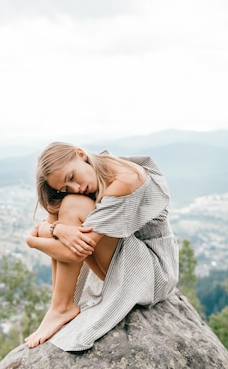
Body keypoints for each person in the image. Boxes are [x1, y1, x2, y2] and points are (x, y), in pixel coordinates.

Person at [24, 142, 179, 351]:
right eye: (65, 187)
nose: (76, 188)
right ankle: (59, 306)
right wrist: (58, 230)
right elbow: (56, 231)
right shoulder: (96, 172)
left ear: (81, 154)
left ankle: (62, 307)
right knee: (68, 205)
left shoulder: (125, 179)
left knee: (72, 205)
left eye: (71, 177)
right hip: (125, 261)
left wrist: (32, 241)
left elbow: (72, 251)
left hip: (154, 272)